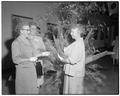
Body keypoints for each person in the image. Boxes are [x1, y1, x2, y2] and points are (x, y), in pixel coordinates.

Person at [11, 22, 39, 94]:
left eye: (29, 30)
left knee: (32, 90)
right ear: (21, 31)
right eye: (27, 30)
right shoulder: (16, 43)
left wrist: (40, 54)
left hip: (31, 69)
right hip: (23, 71)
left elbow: (31, 53)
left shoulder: (28, 40)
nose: (29, 32)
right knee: (25, 90)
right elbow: (15, 59)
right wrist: (29, 59)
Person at [58, 24, 85, 94]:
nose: (71, 33)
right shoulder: (77, 42)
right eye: (71, 31)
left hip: (74, 73)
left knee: (72, 91)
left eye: (73, 32)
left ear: (79, 33)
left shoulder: (78, 44)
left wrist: (61, 59)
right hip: (72, 72)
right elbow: (68, 51)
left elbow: (72, 60)